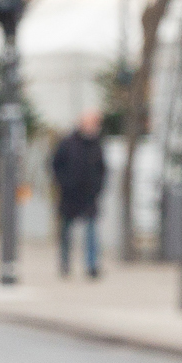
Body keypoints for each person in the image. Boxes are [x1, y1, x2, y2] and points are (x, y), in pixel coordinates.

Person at [52, 109, 107, 279]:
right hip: (70, 195)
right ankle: (65, 263)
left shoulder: (97, 144)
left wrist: (97, 188)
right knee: (66, 232)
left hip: (89, 196)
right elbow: (56, 164)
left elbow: (102, 169)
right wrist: (64, 183)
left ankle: (91, 265)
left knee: (91, 232)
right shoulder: (67, 143)